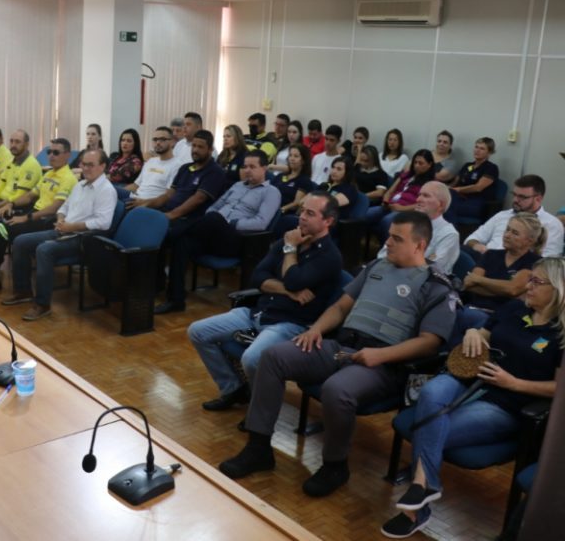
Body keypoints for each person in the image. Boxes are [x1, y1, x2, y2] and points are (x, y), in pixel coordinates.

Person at [219, 211, 457, 499]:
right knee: (273, 357)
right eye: (389, 235)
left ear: (419, 246)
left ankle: (335, 465)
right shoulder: (377, 266)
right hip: (341, 346)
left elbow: (430, 343)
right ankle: (258, 448)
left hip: (382, 362)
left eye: (396, 238)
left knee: (337, 389)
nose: (388, 242)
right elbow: (341, 307)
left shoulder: (436, 285)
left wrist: (380, 356)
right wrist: (316, 330)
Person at [380, 257, 563, 539]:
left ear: (559, 289)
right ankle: (425, 487)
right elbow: (484, 332)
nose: (528, 286)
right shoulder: (515, 308)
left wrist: (514, 383)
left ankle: (416, 506)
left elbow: (558, 389)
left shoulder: (559, 334)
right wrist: (472, 332)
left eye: (537, 282)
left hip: (504, 402)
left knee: (430, 426)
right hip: (469, 378)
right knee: (430, 393)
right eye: (530, 279)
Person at [187, 192, 342, 411]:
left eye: (310, 213)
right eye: (302, 211)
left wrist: (290, 250)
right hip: (260, 312)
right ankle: (233, 389)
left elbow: (293, 279)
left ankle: (262, 411)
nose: (302, 217)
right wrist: (288, 292)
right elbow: (257, 276)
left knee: (251, 359)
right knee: (198, 331)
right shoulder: (290, 238)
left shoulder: (329, 255)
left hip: (289, 323)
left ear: (328, 221)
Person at [156, 150, 281, 314]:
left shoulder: (271, 192)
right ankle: (175, 300)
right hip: (212, 232)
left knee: (208, 220)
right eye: (245, 166)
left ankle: (164, 239)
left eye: (252, 166)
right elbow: (213, 207)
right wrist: (215, 220)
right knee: (182, 243)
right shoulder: (237, 185)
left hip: (237, 240)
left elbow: (261, 223)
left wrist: (230, 223)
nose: (247, 170)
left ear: (264, 168)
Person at [3, 149, 117, 321]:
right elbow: (64, 207)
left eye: (90, 165)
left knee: (44, 250)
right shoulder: (80, 185)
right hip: (64, 229)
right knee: (20, 241)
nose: (85, 168)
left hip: (83, 239)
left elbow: (103, 223)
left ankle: (43, 304)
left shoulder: (106, 190)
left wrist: (71, 227)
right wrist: (61, 219)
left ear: (102, 166)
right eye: (83, 164)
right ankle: (23, 291)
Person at [0, 138, 78, 293]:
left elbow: (54, 208)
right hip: (32, 212)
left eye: (56, 152)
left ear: (67, 155)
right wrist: (11, 204)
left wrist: (27, 218)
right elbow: (30, 196)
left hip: (44, 220)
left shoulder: (69, 178)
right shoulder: (49, 174)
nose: (51, 156)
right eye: (49, 152)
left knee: (1, 230)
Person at [129, 130, 225, 225]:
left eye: (200, 147)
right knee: (134, 214)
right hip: (166, 211)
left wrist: (170, 215)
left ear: (210, 150)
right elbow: (168, 195)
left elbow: (198, 199)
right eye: (194, 146)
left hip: (185, 218)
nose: (195, 150)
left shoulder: (215, 171)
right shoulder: (185, 168)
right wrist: (146, 204)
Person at [463, 212, 545, 313]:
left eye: (515, 233)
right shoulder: (490, 254)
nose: (507, 235)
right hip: (473, 308)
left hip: (505, 316)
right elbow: (470, 285)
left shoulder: (535, 262)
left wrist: (480, 280)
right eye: (507, 230)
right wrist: (505, 291)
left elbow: (513, 289)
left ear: (530, 240)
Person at [465, 174, 563, 258]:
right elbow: (471, 239)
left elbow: (547, 261)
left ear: (538, 199)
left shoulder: (551, 224)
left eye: (522, 197)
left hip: (519, 270)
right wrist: (478, 246)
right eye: (514, 195)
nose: (515, 200)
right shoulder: (502, 215)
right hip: (486, 258)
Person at [376, 181, 460, 275]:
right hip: (388, 274)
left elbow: (433, 270)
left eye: (426, 196)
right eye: (419, 195)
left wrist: (399, 259)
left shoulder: (449, 234)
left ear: (441, 205)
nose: (418, 199)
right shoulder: (405, 224)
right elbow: (382, 255)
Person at [368, 149, 436, 242]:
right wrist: (385, 201)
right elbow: (390, 191)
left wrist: (401, 208)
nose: (416, 165)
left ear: (429, 165)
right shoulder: (406, 175)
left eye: (421, 163)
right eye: (415, 162)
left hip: (407, 211)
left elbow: (422, 205)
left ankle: (387, 249)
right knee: (368, 214)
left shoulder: (430, 183)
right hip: (390, 206)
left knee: (387, 221)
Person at [123, 126, 181, 206]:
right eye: (155, 139)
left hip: (149, 204)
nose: (157, 142)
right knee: (110, 192)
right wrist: (116, 191)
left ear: (172, 142)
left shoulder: (177, 165)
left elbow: (168, 196)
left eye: (162, 139)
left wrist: (143, 203)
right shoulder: (151, 161)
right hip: (134, 197)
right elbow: (136, 185)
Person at [450, 137, 499, 222]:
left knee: (448, 208)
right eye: (476, 147)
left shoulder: (491, 168)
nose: (477, 150)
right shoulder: (468, 166)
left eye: (482, 148)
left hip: (477, 203)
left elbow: (478, 188)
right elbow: (455, 183)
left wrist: (457, 190)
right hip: (460, 198)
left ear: (489, 152)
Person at [270, 143, 315, 215]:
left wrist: (281, 210)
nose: (292, 158)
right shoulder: (280, 175)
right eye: (290, 155)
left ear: (303, 160)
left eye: (296, 156)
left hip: (282, 214)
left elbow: (296, 203)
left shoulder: (304, 180)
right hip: (268, 208)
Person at [217, 124, 248, 190]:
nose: (225, 139)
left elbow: (244, 185)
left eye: (228, 136)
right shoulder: (222, 155)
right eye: (224, 137)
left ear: (237, 137)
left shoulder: (244, 156)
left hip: (234, 193)